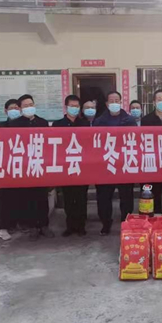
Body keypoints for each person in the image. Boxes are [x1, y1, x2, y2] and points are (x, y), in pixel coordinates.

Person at [93, 90, 135, 235]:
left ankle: (126, 222)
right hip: (106, 163)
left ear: (121, 102)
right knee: (104, 196)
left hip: (124, 163)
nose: (114, 103)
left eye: (117, 101)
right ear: (106, 103)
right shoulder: (99, 121)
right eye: (111, 101)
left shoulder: (129, 120)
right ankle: (106, 223)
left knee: (126, 196)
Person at [13, 94, 54, 239]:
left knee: (42, 197)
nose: (29, 107)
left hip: (40, 164)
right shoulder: (14, 124)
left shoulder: (42, 122)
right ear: (20, 108)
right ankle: (32, 227)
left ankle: (44, 225)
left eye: (31, 104)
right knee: (27, 198)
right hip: (24, 166)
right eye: (25, 106)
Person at [52, 95, 89, 236]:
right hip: (66, 166)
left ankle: (81, 226)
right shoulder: (58, 124)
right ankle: (70, 226)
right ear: (66, 107)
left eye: (77, 106)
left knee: (81, 198)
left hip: (81, 166)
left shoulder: (85, 124)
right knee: (68, 198)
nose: (74, 108)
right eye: (72, 106)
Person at [0, 98, 21, 241]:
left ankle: (19, 223)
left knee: (19, 197)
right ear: (6, 111)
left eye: (17, 108)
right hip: (5, 168)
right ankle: (4, 226)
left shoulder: (25, 125)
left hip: (21, 166)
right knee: (4, 198)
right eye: (11, 108)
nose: (14, 111)